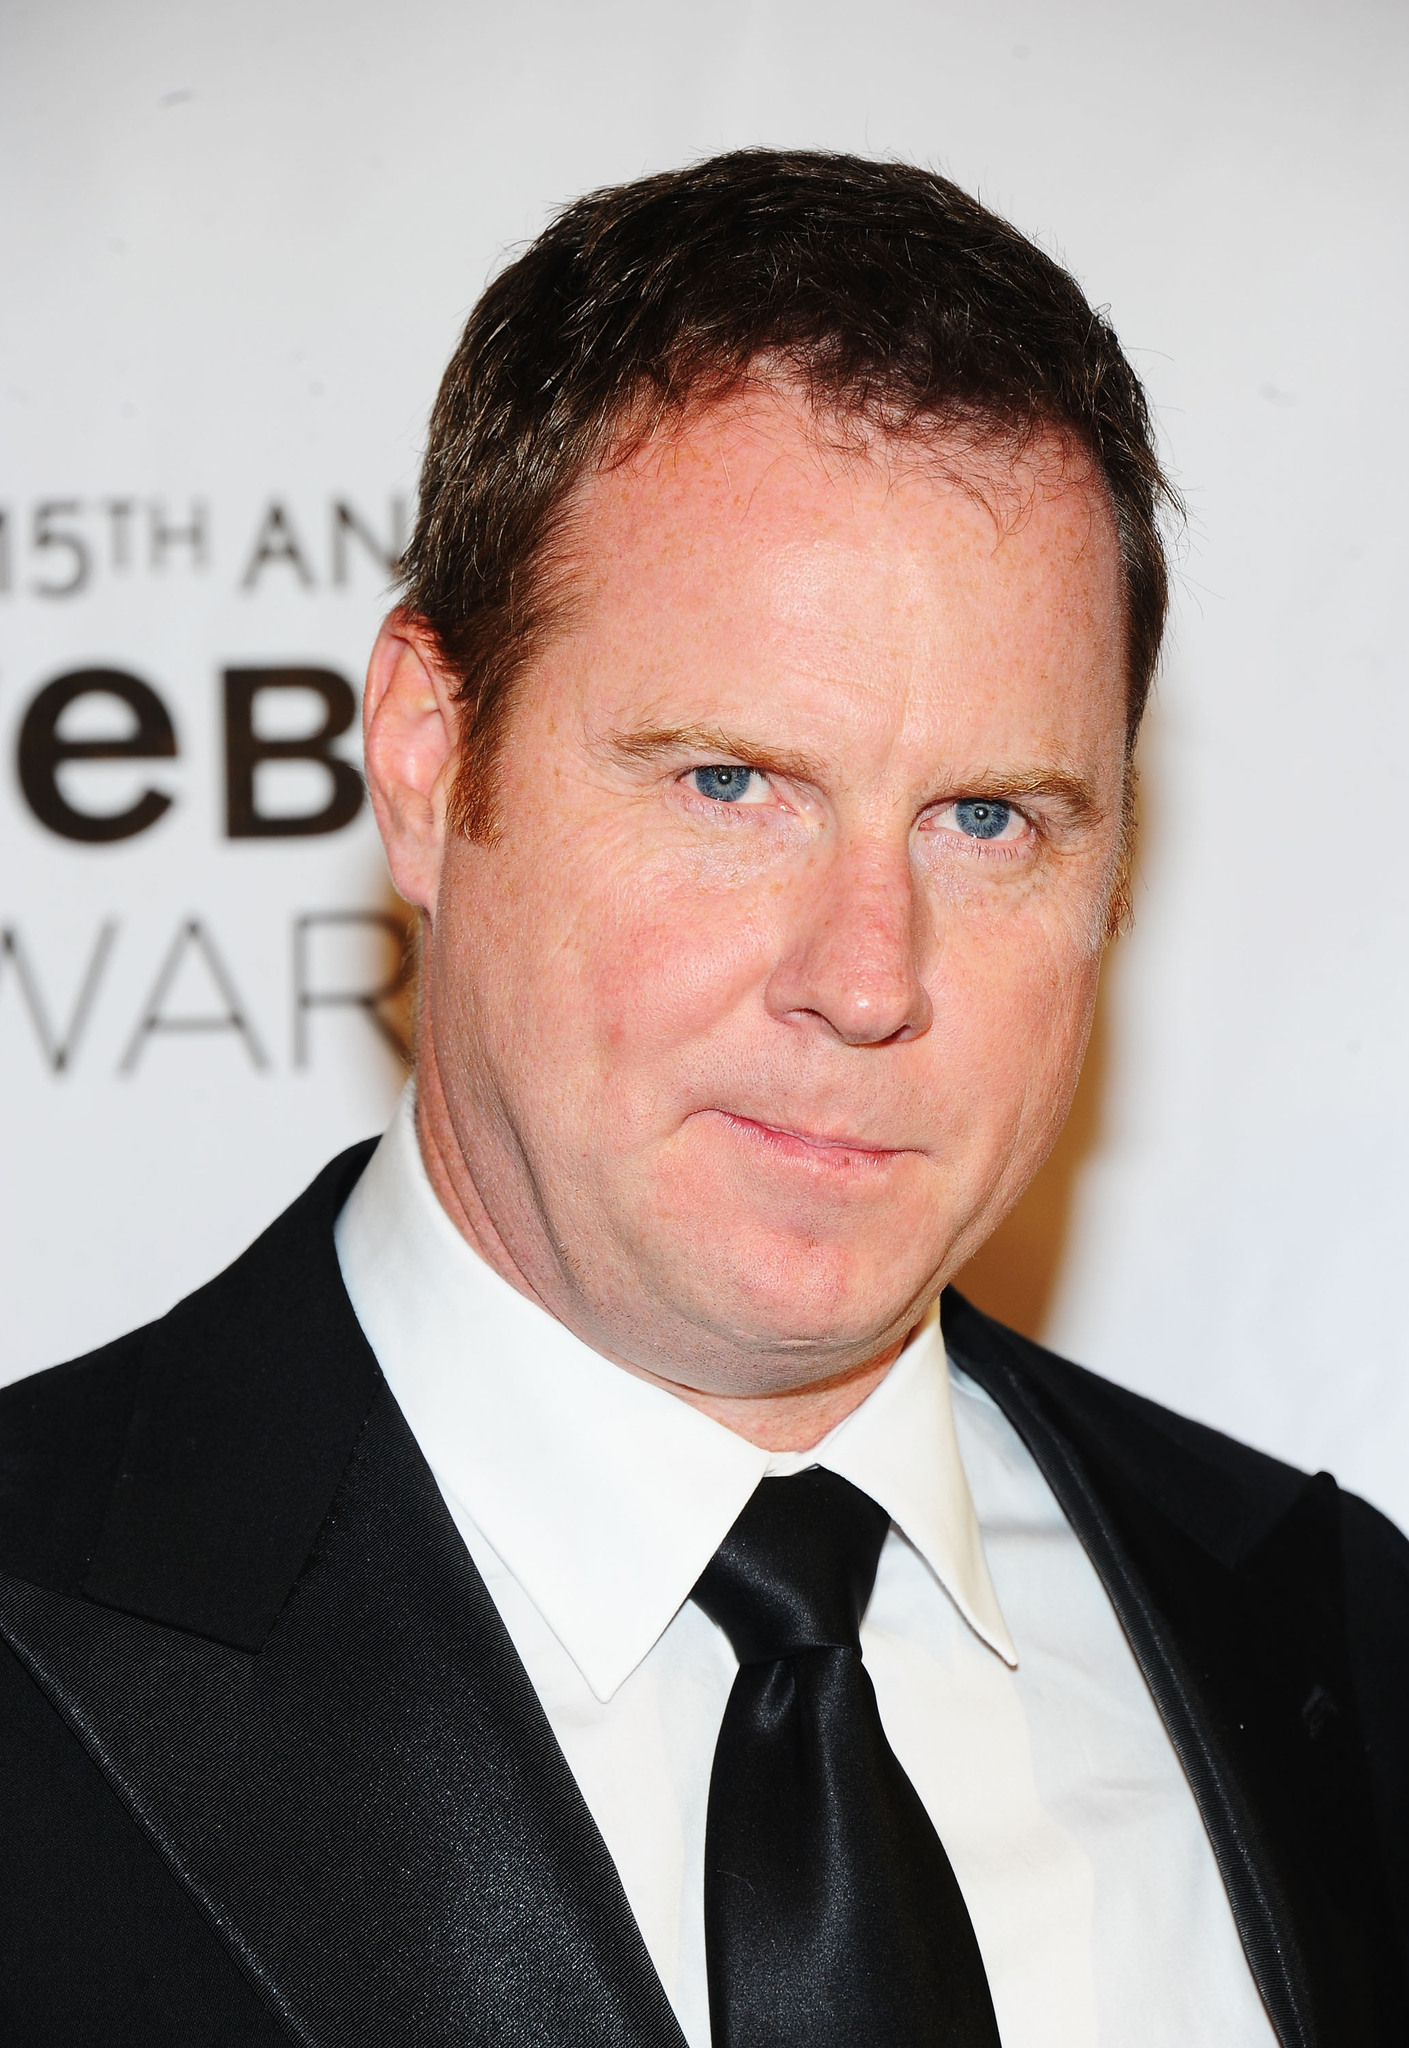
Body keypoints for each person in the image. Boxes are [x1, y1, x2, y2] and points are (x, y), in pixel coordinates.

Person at [0, 150, 1404, 2048]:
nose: (866, 976)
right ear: (426, 761)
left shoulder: (1338, 1648)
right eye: (730, 784)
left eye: (987, 818)